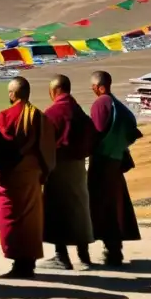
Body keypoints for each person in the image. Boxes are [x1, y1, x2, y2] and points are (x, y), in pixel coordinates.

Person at [0, 76, 56, 279]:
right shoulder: (40, 116)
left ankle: (19, 263)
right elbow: (48, 149)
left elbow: (1, 146)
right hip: (33, 173)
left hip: (13, 175)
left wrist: (1, 167)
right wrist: (44, 172)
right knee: (31, 219)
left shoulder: (5, 115)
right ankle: (28, 263)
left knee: (8, 216)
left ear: (12, 94)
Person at [41, 74, 96, 270]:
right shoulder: (78, 111)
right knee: (79, 208)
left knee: (57, 209)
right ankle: (84, 256)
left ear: (55, 91)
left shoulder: (52, 113)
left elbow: (44, 143)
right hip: (79, 166)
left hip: (58, 167)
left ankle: (61, 256)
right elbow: (92, 134)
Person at [87, 70, 141, 267]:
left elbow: (97, 132)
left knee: (104, 206)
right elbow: (133, 131)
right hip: (116, 159)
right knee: (114, 204)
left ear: (99, 87)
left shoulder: (100, 104)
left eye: (93, 87)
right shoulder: (118, 105)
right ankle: (114, 250)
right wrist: (120, 145)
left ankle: (111, 252)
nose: (92, 90)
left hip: (103, 161)